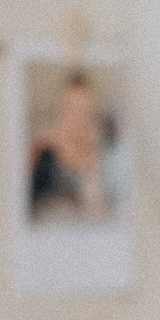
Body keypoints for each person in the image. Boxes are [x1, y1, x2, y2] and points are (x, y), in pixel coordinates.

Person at [30, 67, 118, 222]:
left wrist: (90, 165)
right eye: (71, 110)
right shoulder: (41, 153)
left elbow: (100, 216)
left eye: (84, 112)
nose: (78, 120)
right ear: (60, 112)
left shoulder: (103, 157)